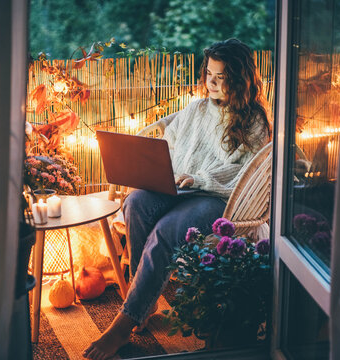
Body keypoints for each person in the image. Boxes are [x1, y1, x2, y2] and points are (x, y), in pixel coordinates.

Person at [83, 38, 272, 360]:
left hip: (218, 196)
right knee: (136, 203)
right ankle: (145, 299)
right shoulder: (197, 107)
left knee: (167, 232)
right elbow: (174, 142)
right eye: (209, 73)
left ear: (240, 78)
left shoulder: (254, 120)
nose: (211, 82)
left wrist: (201, 178)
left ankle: (124, 323)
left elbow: (248, 171)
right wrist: (152, 165)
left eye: (221, 76)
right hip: (179, 186)